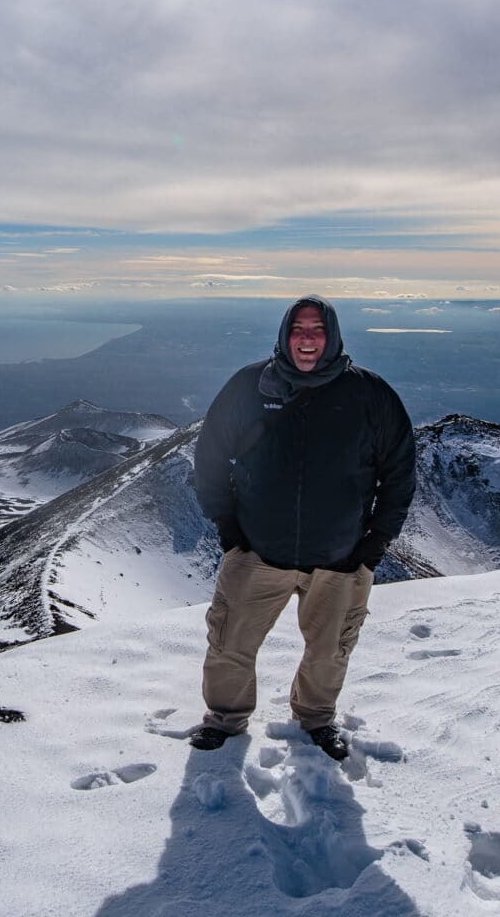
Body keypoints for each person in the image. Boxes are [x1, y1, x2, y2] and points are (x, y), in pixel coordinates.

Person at [191, 294, 416, 759]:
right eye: (299, 329)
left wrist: (373, 546)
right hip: (257, 552)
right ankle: (225, 720)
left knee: (329, 652)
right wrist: (230, 532)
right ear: (284, 335)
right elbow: (211, 455)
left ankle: (316, 719)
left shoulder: (370, 395)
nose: (307, 339)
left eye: (317, 330)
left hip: (340, 557)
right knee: (230, 643)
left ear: (332, 337)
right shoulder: (249, 387)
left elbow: (399, 473)